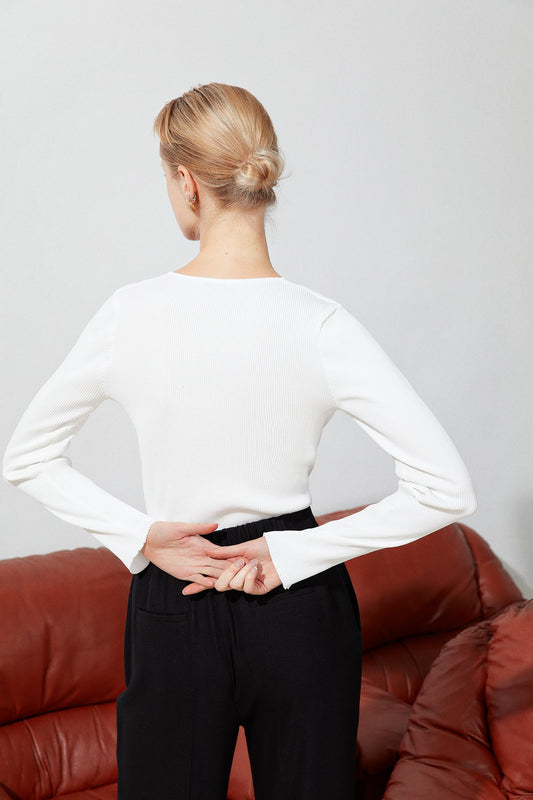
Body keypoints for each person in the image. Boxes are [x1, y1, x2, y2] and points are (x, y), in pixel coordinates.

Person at [2, 82, 477, 800]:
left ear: (186, 182)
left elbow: (27, 457)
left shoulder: (130, 314)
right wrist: (295, 553)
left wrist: (143, 539)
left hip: (176, 595)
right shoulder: (322, 324)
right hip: (300, 601)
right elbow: (447, 489)